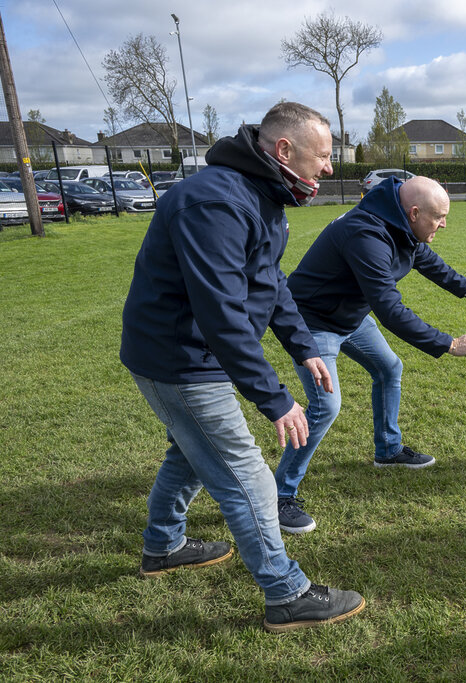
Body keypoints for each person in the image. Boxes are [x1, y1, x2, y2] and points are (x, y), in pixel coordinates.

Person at [120, 102, 365, 633]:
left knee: (190, 454)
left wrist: (304, 347)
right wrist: (275, 399)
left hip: (193, 352)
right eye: (323, 156)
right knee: (247, 476)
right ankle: (286, 594)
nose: (329, 167)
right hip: (179, 357)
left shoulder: (261, 194)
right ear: (284, 150)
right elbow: (221, 312)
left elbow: (270, 281)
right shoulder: (214, 202)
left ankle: (163, 547)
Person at [275, 175, 466, 534]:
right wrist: (449, 343)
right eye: (438, 217)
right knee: (326, 406)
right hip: (313, 323)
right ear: (414, 213)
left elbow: (421, 256)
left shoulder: (397, 221)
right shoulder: (366, 235)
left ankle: (388, 450)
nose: (444, 225)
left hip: (349, 317)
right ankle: (280, 495)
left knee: (388, 368)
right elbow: (389, 309)